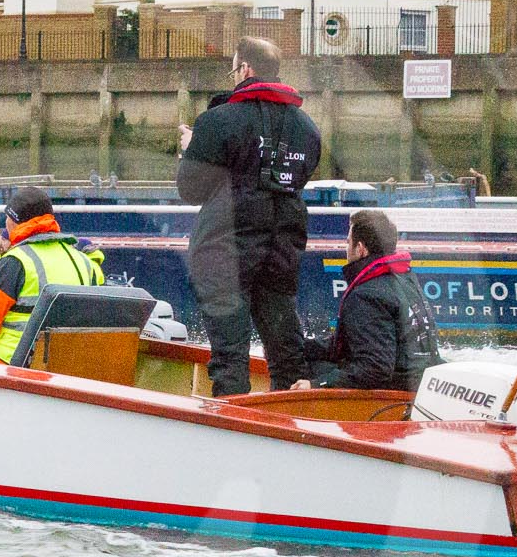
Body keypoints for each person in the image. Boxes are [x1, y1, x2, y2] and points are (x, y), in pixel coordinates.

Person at [175, 35, 318, 396]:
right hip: (282, 248)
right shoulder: (308, 128)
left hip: (226, 251)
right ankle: (290, 420)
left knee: (230, 355)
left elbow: (191, 190)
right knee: (286, 351)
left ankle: (232, 426)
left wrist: (191, 149)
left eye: (233, 70)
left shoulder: (217, 122)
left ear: (246, 69)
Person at [0, 187, 104, 363]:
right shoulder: (84, 262)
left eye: (7, 217)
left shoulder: (15, 262)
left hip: (14, 365)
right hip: (66, 364)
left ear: (14, 221)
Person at [299, 209, 443, 392]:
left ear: (360, 249)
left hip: (397, 392)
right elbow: (354, 344)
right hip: (420, 379)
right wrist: (302, 346)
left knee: (306, 369)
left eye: (348, 242)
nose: (346, 248)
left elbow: (375, 370)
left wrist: (317, 384)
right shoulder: (406, 279)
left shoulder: (365, 295)